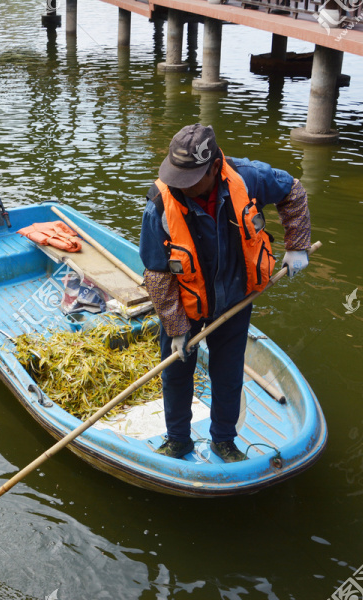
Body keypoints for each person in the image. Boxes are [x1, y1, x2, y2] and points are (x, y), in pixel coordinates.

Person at [139, 124, 311, 462]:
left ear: (214, 167)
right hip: (184, 303)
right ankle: (178, 440)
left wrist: (298, 246)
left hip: (234, 299)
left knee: (228, 372)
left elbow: (293, 191)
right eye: (177, 179)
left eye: (190, 181)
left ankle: (223, 441)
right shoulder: (159, 203)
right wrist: (175, 328)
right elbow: (157, 274)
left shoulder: (248, 178)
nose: (181, 188)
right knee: (176, 372)